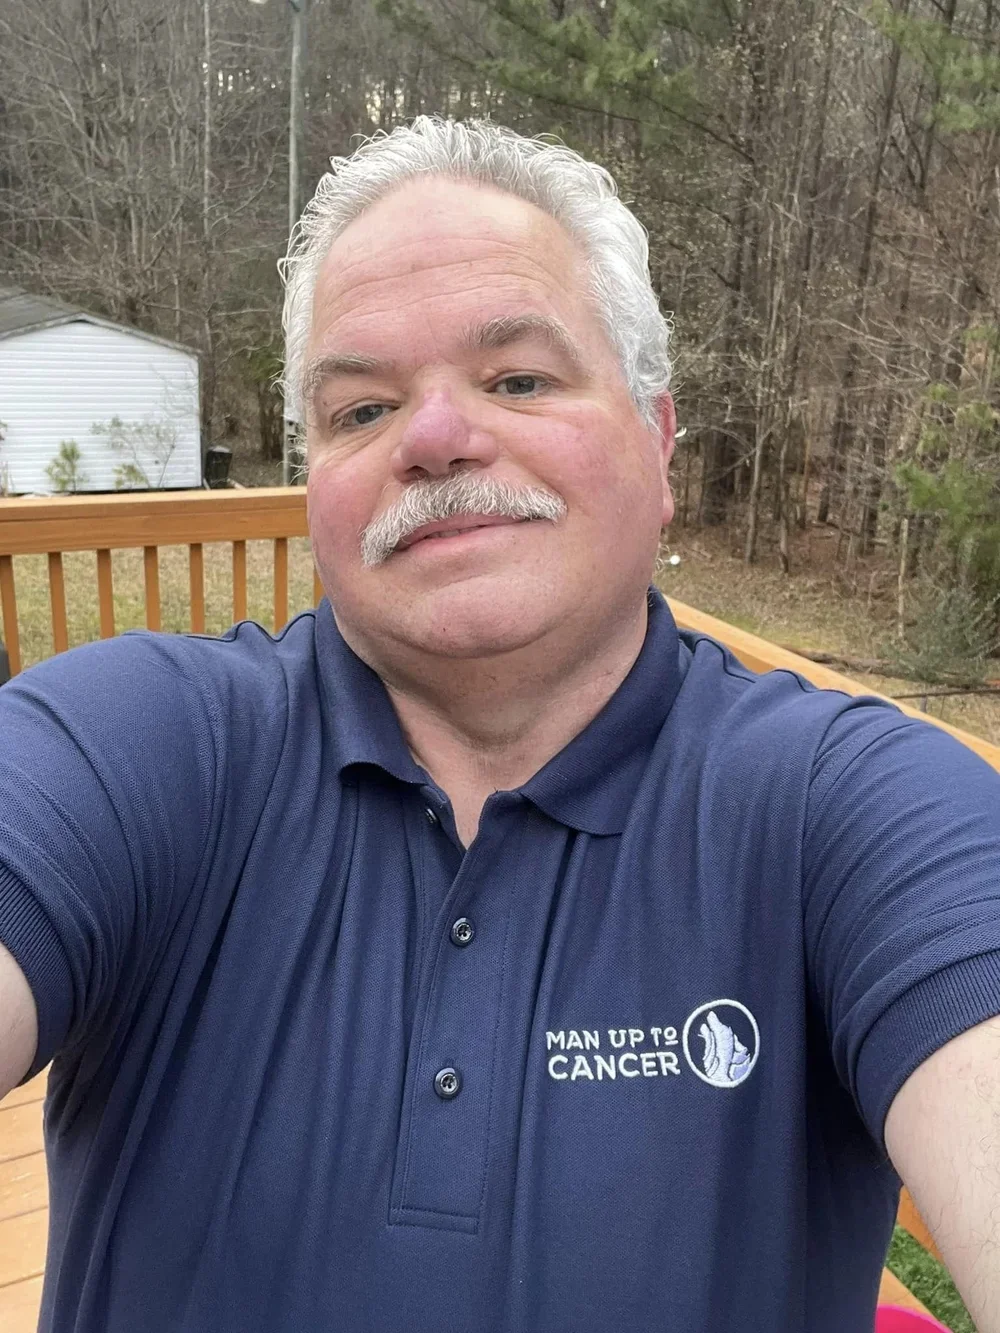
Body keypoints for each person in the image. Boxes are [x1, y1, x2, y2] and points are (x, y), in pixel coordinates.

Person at [1, 118, 999, 1333]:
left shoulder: (842, 808)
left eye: (518, 378)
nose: (429, 438)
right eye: (361, 409)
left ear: (658, 435)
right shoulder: (140, 746)